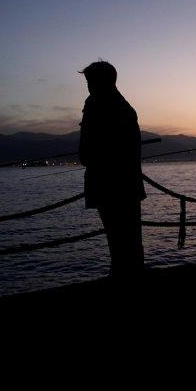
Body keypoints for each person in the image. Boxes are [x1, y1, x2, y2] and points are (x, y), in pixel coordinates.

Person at [78, 60, 146, 278]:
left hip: (108, 187)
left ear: (100, 82)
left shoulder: (96, 106)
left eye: (90, 82)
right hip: (129, 185)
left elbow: (85, 153)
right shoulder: (125, 107)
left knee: (118, 244)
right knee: (130, 244)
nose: (88, 87)